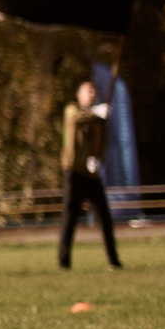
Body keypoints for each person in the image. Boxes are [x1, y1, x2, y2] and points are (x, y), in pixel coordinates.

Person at [59, 80, 121, 270]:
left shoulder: (99, 120)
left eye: (94, 91)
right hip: (73, 173)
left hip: (91, 175)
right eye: (88, 91)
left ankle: (114, 261)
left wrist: (98, 159)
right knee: (70, 218)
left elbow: (103, 142)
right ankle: (64, 262)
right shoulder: (72, 110)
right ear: (79, 95)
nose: (92, 94)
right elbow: (77, 118)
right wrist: (96, 113)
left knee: (105, 218)